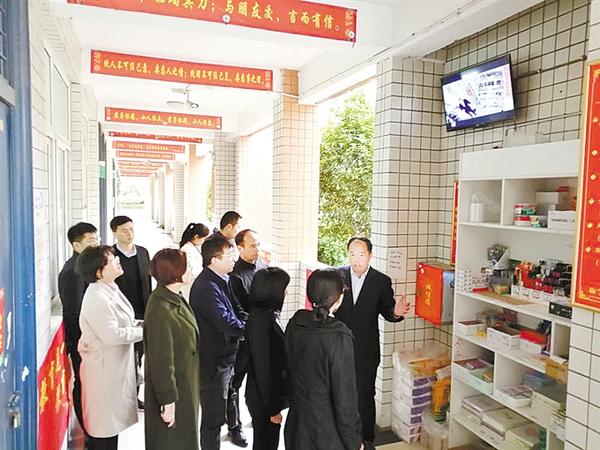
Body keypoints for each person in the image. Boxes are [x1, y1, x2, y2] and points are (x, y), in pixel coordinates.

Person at [335, 237, 411, 450]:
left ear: (370, 255)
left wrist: (396, 312)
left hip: (366, 350)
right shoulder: (337, 276)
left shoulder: (380, 281)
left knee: (365, 395)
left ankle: (367, 440)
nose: (356, 259)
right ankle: (341, 438)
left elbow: (388, 311)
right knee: (340, 393)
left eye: (361, 254)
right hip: (338, 348)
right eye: (352, 254)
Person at [285, 268, 363, 450]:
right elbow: (345, 396)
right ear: (338, 298)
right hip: (326, 432)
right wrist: (353, 441)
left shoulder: (296, 323)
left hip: (296, 425)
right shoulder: (338, 335)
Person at [76, 245, 143, 450]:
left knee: (111, 429)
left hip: (114, 370)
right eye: (112, 260)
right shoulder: (97, 296)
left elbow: (125, 321)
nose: (118, 261)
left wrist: (142, 324)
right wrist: (145, 332)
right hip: (103, 373)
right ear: (98, 271)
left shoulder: (109, 287)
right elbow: (112, 335)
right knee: (103, 432)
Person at [189, 236, 245, 450]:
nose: (234, 259)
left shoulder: (223, 279)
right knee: (213, 418)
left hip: (227, 356)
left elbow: (236, 310)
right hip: (213, 361)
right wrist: (248, 329)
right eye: (229, 256)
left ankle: (234, 429)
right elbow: (225, 321)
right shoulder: (206, 286)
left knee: (228, 397)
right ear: (214, 260)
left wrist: (246, 323)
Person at [144, 248, 200, 450]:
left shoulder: (175, 296)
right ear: (174, 272)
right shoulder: (160, 308)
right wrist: (168, 402)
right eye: (187, 266)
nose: (191, 269)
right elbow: (161, 361)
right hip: (174, 390)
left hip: (185, 382)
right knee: (172, 441)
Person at [226, 229, 266, 447]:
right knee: (234, 384)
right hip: (243, 340)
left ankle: (258, 415)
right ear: (239, 248)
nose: (257, 249)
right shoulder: (234, 275)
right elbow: (238, 310)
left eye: (258, 244)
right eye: (252, 245)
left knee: (260, 380)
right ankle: (234, 427)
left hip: (262, 337)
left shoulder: (263, 267)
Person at [58, 222, 98, 436]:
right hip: (81, 340)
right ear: (76, 245)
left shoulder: (84, 267)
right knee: (83, 383)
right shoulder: (72, 272)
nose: (96, 244)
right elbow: (75, 312)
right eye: (90, 241)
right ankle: (87, 427)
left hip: (89, 339)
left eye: (96, 239)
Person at [245, 267, 290, 450]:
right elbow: (263, 367)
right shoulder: (261, 321)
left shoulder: (264, 314)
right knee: (266, 444)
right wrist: (273, 408)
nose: (286, 292)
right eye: (284, 288)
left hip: (264, 396)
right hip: (263, 399)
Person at [110, 215, 152, 408]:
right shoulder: (110, 255)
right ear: (115, 233)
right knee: (122, 358)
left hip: (141, 312)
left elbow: (148, 282)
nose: (130, 234)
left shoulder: (142, 252)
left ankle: (134, 396)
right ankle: (121, 397)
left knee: (138, 356)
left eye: (131, 229)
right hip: (119, 314)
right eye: (124, 230)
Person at [179, 222, 210, 300]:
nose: (203, 241)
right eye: (203, 238)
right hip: (189, 284)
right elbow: (191, 270)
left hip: (194, 283)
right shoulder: (187, 249)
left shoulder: (192, 247)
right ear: (196, 237)